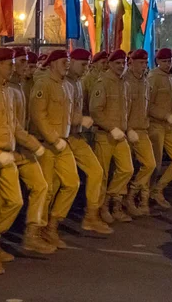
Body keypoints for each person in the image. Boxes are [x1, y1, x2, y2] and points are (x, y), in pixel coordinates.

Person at [0, 48, 47, 274]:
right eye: (8, 64)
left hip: (8, 153)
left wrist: (33, 144)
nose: (12, 67)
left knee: (15, 201)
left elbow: (14, 126)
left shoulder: (6, 90)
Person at [7, 47, 57, 253]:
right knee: (6, 201)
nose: (25, 65)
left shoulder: (21, 86)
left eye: (26, 62)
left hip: (23, 147)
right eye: (20, 61)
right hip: (6, 149)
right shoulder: (5, 88)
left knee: (41, 186)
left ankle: (32, 234)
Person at [30, 49, 80, 247]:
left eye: (67, 61)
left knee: (72, 183)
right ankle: (36, 231)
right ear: (51, 64)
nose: (66, 64)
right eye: (62, 61)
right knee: (47, 188)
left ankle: (52, 224)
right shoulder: (43, 84)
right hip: (47, 143)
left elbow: (67, 114)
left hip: (63, 141)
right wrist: (52, 138)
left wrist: (82, 121)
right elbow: (38, 115)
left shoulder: (67, 86)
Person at [65, 49, 113, 234]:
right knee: (56, 185)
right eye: (83, 64)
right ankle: (45, 227)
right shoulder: (66, 82)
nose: (86, 68)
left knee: (96, 171)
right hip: (60, 137)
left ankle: (91, 216)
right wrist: (79, 120)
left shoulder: (77, 82)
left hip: (76, 136)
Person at [89, 49, 134, 223]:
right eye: (117, 63)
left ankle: (110, 200)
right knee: (103, 175)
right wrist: (110, 128)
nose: (121, 66)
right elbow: (95, 110)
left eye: (123, 63)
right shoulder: (103, 83)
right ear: (109, 64)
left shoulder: (124, 83)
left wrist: (126, 128)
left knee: (127, 169)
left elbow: (126, 110)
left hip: (120, 134)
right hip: (105, 135)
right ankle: (100, 209)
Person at [123, 50, 164, 214]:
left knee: (149, 165)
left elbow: (148, 108)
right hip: (127, 131)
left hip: (142, 130)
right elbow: (120, 110)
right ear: (131, 63)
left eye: (145, 63)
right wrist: (126, 129)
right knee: (126, 169)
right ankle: (123, 202)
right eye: (140, 62)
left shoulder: (146, 82)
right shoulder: (124, 81)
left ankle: (133, 195)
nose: (143, 66)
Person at [147, 48, 172, 209]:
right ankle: (147, 194)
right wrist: (166, 116)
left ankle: (158, 188)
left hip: (169, 126)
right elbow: (148, 106)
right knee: (155, 164)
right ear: (157, 61)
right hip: (156, 125)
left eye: (169, 61)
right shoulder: (153, 78)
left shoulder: (169, 77)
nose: (167, 64)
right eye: (164, 61)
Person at [82, 51, 109, 115]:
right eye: (103, 63)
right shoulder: (87, 80)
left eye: (107, 63)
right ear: (94, 64)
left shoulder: (108, 79)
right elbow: (83, 102)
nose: (106, 65)